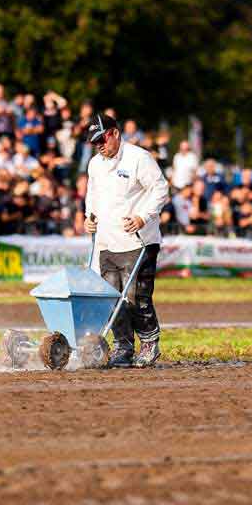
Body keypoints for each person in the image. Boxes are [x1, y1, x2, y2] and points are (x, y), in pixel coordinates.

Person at [83, 113, 170, 368]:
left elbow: (160, 189)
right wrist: (89, 218)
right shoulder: (95, 164)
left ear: (115, 133)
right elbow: (92, 195)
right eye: (94, 141)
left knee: (136, 297)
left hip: (138, 240)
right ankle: (123, 345)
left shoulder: (139, 158)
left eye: (102, 139)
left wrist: (143, 217)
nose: (99, 145)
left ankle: (149, 343)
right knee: (111, 297)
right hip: (107, 242)